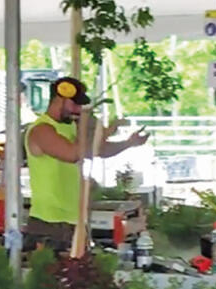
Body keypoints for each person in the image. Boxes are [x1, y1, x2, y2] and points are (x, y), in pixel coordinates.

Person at [22, 76, 149, 252]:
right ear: (60, 99)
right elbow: (73, 154)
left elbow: (99, 151)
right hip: (49, 222)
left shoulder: (71, 127)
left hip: (75, 219)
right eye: (74, 105)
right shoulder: (41, 130)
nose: (78, 110)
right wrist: (105, 132)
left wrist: (128, 143)